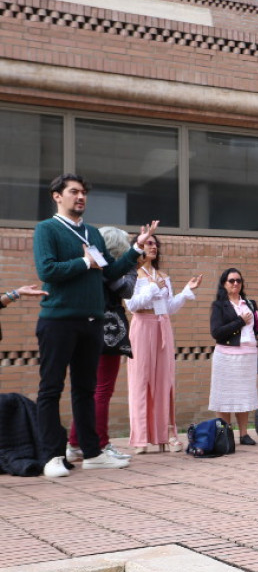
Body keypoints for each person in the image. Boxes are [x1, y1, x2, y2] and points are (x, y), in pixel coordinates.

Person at [33, 173, 157, 478]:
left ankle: (92, 453)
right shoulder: (46, 229)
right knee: (51, 389)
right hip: (58, 320)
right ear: (57, 196)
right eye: (74, 192)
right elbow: (47, 269)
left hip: (93, 322)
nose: (81, 197)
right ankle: (51, 455)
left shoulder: (92, 233)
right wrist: (83, 263)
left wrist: (135, 250)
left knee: (85, 390)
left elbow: (110, 272)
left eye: (84, 193)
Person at [65, 227, 136, 463]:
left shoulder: (89, 262)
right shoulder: (108, 267)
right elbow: (126, 289)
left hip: (85, 325)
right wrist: (133, 263)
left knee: (88, 390)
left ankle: (76, 443)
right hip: (107, 330)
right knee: (102, 390)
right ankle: (100, 444)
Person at [126, 235, 202, 453]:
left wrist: (186, 292)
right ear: (139, 246)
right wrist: (151, 288)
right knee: (140, 381)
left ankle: (165, 435)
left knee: (164, 382)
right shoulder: (132, 275)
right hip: (142, 327)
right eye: (149, 243)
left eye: (155, 243)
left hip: (163, 326)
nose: (153, 247)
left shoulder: (163, 276)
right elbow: (132, 304)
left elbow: (168, 307)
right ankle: (140, 438)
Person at [209, 268, 258, 444]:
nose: (235, 284)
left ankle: (243, 434)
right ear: (224, 283)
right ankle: (226, 434)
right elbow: (217, 333)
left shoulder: (249, 303)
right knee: (224, 396)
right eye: (231, 280)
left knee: (243, 396)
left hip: (247, 356)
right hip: (226, 356)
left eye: (238, 281)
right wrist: (240, 321)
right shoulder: (219, 305)